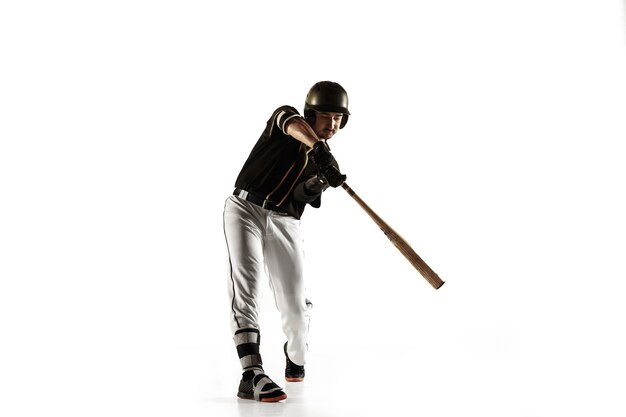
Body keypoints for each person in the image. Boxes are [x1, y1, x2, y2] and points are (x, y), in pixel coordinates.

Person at [222, 81, 350, 402]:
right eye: (326, 116)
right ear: (311, 113)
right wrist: (318, 150)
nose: (331, 125)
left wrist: (321, 178)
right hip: (245, 208)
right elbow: (291, 124)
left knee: (294, 307)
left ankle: (296, 354)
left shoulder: (325, 159)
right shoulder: (288, 120)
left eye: (338, 118)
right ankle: (251, 373)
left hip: (285, 220)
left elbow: (300, 196)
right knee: (247, 286)